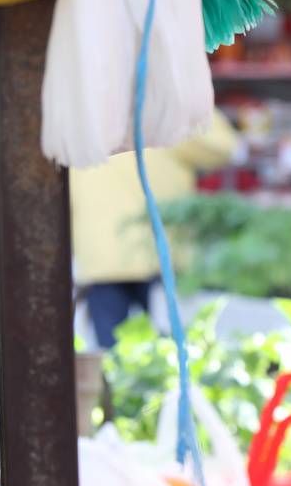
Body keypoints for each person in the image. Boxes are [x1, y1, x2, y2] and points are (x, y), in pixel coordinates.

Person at [70, 112, 240, 347]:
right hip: (160, 254)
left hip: (102, 254)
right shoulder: (165, 105)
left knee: (113, 357)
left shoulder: (82, 110)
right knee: (167, 357)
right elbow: (223, 147)